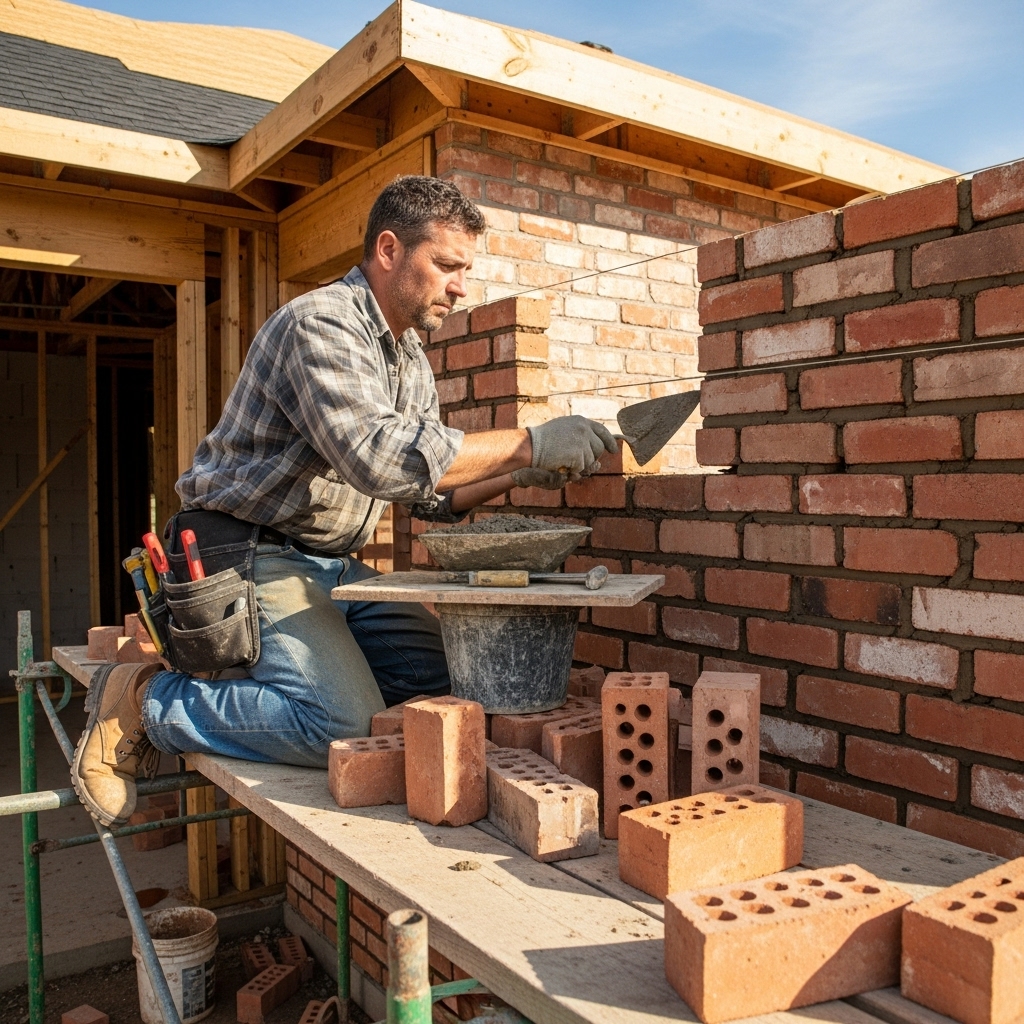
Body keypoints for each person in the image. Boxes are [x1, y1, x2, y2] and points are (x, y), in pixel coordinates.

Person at [71, 175, 618, 827]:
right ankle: (144, 699)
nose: (460, 286)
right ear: (388, 250)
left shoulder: (410, 359)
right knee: (338, 721)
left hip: (330, 564)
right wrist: (527, 444)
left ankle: (281, 678)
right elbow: (377, 454)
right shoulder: (319, 325)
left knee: (456, 683)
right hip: (242, 550)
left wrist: (520, 475)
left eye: (466, 269)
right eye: (446, 264)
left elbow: (429, 497)